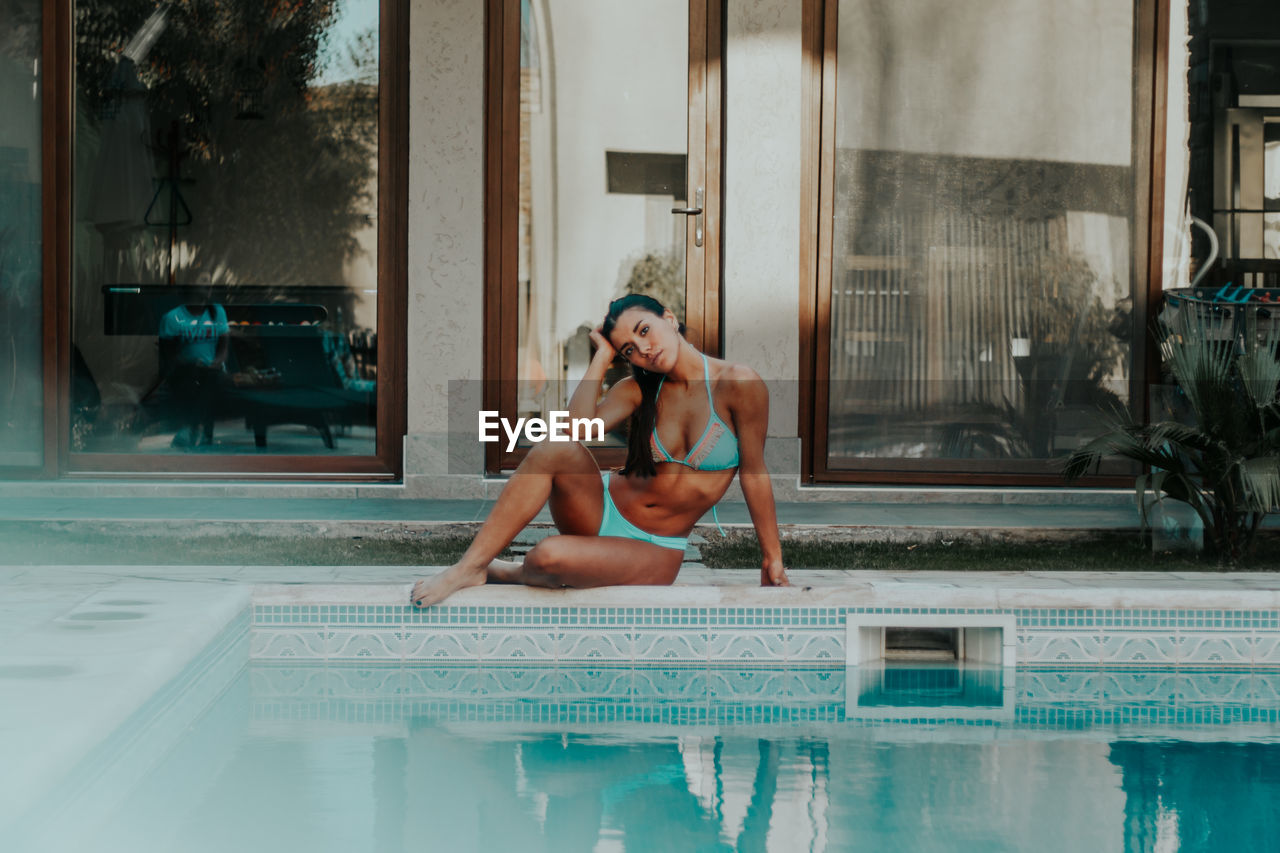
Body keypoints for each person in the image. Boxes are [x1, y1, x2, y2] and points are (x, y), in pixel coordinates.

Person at [411, 294, 789, 608]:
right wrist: (602, 356)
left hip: (656, 547)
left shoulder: (739, 384)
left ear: (669, 319)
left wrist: (772, 555)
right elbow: (574, 431)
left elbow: (754, 472)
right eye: (630, 349)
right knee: (556, 446)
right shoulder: (639, 389)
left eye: (645, 331)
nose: (645, 350)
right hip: (598, 509)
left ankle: (507, 571)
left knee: (545, 557)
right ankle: (469, 568)